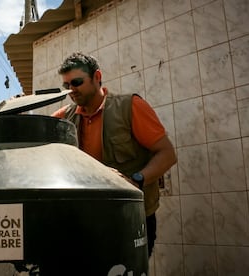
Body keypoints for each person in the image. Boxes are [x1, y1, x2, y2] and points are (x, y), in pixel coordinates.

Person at [52, 52, 177, 257]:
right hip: (86, 220)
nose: (71, 90)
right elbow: (36, 136)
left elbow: (167, 154)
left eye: (76, 82)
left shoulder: (130, 106)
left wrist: (137, 180)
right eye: (67, 86)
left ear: (97, 77)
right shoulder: (65, 117)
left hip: (131, 218)